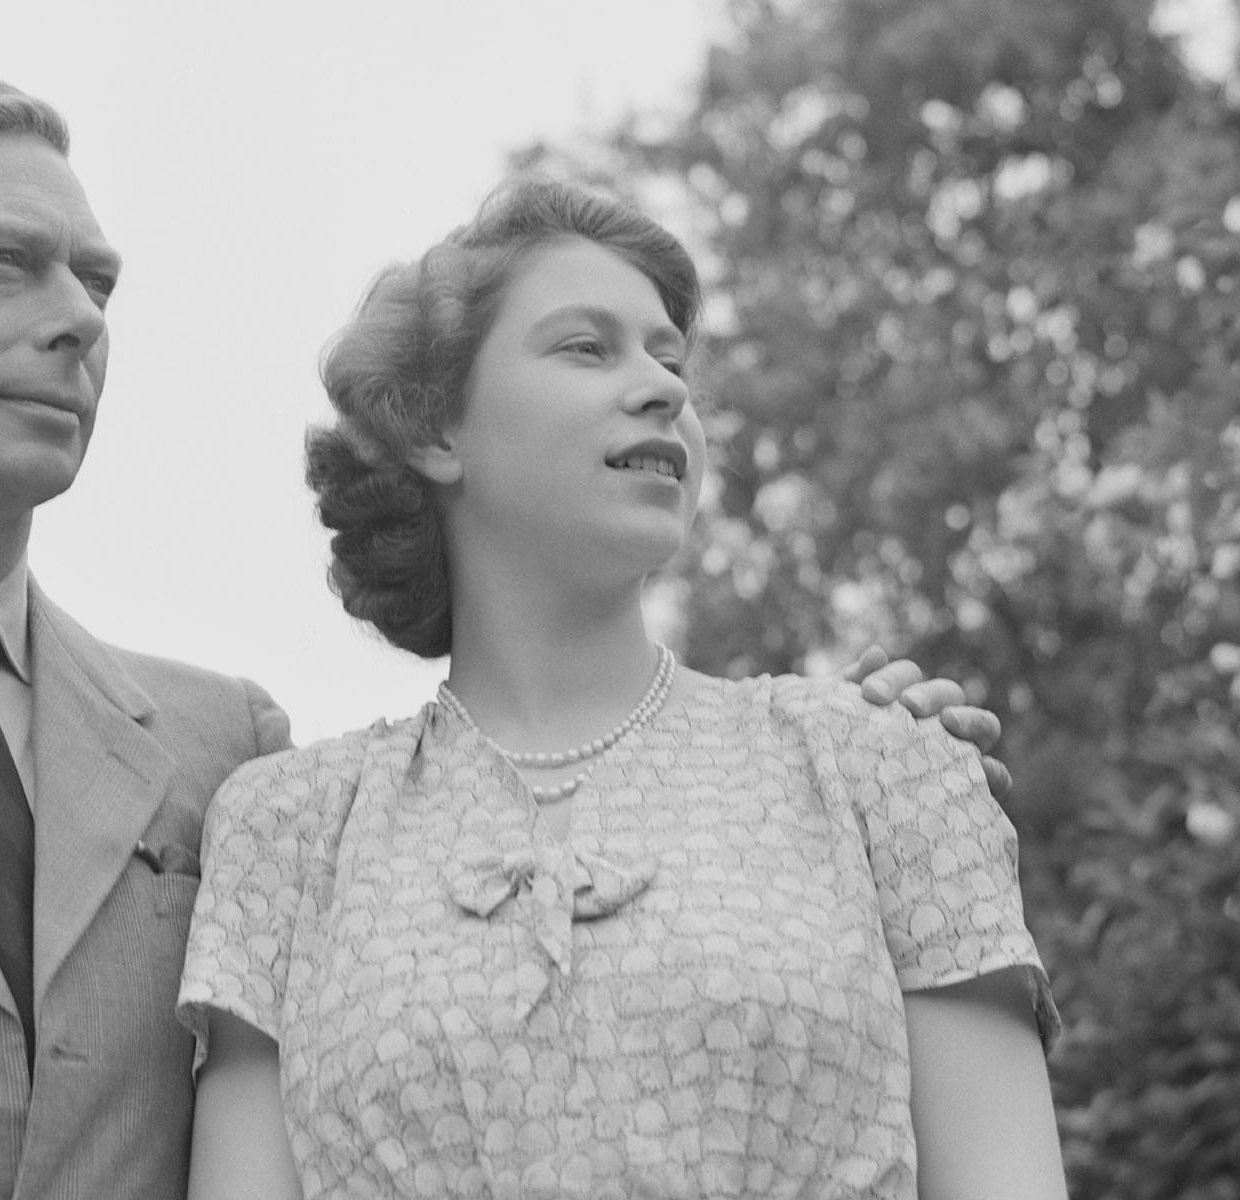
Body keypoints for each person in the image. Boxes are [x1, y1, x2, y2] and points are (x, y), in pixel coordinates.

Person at [0, 70, 1012, 1199]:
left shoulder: (220, 759)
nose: (77, 317)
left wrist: (848, 766)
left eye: (97, 282)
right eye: (7, 265)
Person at [180, 179, 1067, 1198]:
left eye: (669, 359)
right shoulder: (288, 835)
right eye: (585, 348)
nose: (662, 389)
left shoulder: (881, 767)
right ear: (434, 430)